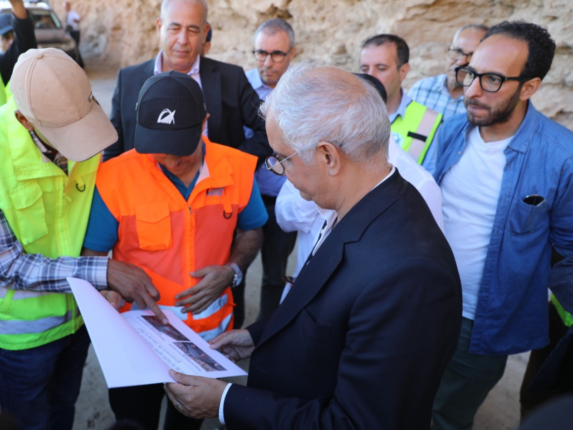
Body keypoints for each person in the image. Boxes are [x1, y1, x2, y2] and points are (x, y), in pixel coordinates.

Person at [161, 61, 462, 429]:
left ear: (328, 156)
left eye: (282, 159)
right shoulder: (360, 203)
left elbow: (359, 423)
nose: (279, 171)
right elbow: (326, 311)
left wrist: (225, 402)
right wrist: (257, 337)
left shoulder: (411, 277)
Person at [0, 48, 167, 430]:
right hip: (21, 336)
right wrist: (103, 272)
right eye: (66, 136)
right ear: (24, 119)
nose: (81, 145)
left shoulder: (82, 119)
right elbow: (5, 265)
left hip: (80, 319)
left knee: (63, 410)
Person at [81, 71, 265, 430]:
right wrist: (105, 291)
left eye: (181, 148)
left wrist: (233, 270)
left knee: (187, 423)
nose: (170, 159)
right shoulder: (113, 177)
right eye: (159, 147)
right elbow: (92, 258)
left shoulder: (237, 168)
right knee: (134, 422)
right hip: (137, 342)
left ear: (204, 122)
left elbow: (252, 230)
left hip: (207, 341)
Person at [430, 21, 573, 430]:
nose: (472, 90)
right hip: (420, 299)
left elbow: (568, 254)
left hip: (482, 326)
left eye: (492, 80)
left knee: (446, 417)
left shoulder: (562, 157)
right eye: (470, 73)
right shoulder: (451, 131)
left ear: (529, 87)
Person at [276, 73, 444, 280]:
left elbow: (423, 265)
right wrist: (313, 192)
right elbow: (283, 219)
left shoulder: (421, 184)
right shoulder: (309, 158)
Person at [105, 0, 270, 164]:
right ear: (159, 27)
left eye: (192, 30)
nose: (183, 40)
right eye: (175, 28)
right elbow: (113, 149)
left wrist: (231, 165)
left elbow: (269, 128)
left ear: (205, 32)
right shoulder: (128, 80)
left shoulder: (232, 78)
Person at [244, 18, 297, 319]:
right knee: (233, 269)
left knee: (274, 275)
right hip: (244, 197)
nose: (267, 62)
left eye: (277, 54)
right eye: (261, 53)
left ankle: (265, 334)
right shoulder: (239, 86)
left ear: (292, 53)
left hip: (282, 199)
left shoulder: (302, 92)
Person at [360, 34, 442, 172]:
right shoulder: (346, 114)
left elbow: (428, 177)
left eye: (381, 68)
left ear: (403, 71)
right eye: (364, 69)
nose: (370, 76)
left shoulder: (428, 121)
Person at [408, 24, 489, 119]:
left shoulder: (484, 104)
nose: (461, 62)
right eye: (457, 51)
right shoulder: (420, 90)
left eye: (472, 55)